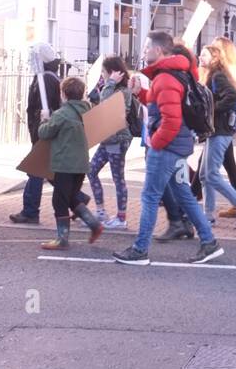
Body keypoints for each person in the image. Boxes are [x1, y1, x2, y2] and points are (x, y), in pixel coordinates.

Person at [112, 31, 220, 265]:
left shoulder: (166, 77)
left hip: (167, 148)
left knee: (150, 197)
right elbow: (161, 101)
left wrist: (157, 145)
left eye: (147, 47)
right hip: (178, 147)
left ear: (159, 51)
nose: (144, 51)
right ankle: (209, 242)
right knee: (184, 195)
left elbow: (170, 120)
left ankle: (140, 250)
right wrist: (140, 92)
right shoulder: (172, 74)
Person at [37, 76, 103, 250]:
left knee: (59, 201)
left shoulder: (61, 114)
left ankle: (62, 239)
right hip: (81, 164)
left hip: (64, 164)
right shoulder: (88, 112)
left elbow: (44, 133)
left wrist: (44, 119)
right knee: (71, 197)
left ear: (63, 94)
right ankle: (94, 225)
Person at [198, 38, 236, 226]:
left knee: (211, 174)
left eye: (204, 54)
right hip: (215, 131)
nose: (200, 57)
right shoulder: (211, 75)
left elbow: (231, 97)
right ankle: (208, 215)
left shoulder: (217, 76)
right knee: (205, 174)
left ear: (214, 58)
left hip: (220, 131)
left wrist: (211, 111)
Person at [10, 42, 62, 224]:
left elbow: (45, 106)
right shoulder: (44, 76)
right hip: (41, 131)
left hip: (44, 132)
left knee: (36, 171)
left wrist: (43, 125)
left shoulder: (46, 79)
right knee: (47, 173)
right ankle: (78, 202)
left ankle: (30, 211)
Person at [86, 54, 136, 231]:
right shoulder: (113, 88)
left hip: (118, 139)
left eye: (104, 72)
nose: (102, 75)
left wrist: (110, 83)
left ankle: (121, 218)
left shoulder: (122, 91)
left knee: (118, 178)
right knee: (91, 170)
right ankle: (101, 211)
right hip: (107, 138)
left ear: (113, 72)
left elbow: (106, 103)